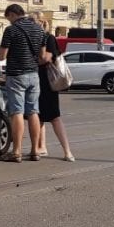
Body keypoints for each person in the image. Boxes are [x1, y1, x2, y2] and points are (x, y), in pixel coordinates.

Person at [0, 3, 45, 162]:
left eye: (8, 18)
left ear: (12, 14)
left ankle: (16, 151)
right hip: (34, 75)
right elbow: (42, 56)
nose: (9, 21)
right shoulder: (39, 29)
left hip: (16, 75)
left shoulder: (11, 30)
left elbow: (1, 56)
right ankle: (35, 151)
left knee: (16, 111)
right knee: (33, 111)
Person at [37, 28, 75, 162]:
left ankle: (67, 151)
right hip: (38, 81)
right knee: (37, 117)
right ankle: (41, 147)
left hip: (48, 83)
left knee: (54, 117)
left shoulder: (49, 38)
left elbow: (46, 58)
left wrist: (28, 59)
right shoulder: (36, 37)